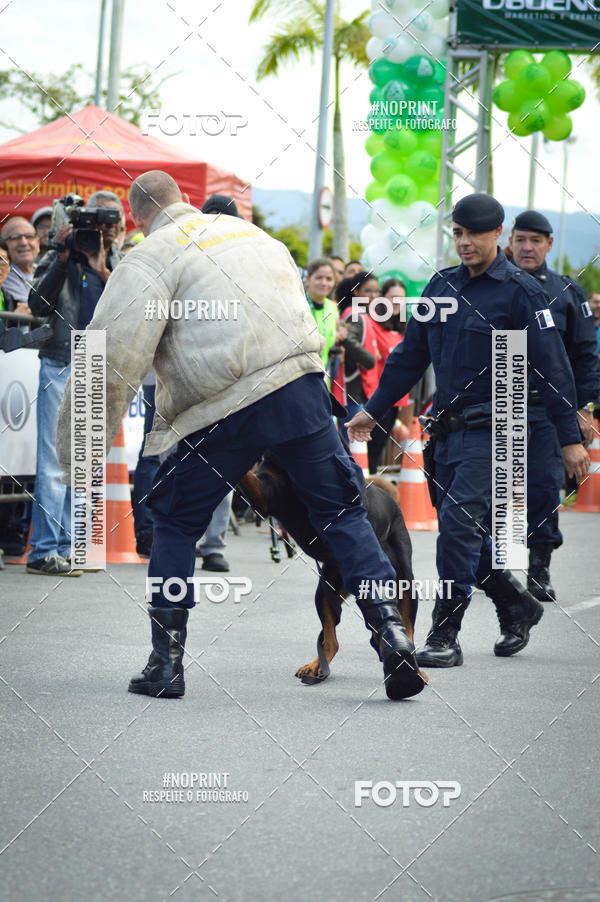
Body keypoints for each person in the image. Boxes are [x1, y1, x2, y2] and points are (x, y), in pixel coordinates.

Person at [56, 169, 425, 701]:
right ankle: (392, 637)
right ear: (184, 200)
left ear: (138, 218)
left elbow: (112, 355)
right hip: (299, 390)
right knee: (344, 514)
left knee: (176, 524)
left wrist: (78, 456)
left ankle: (166, 664)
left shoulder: (151, 255)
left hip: (218, 406)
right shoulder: (259, 239)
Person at [347, 193, 589, 668]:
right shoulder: (441, 287)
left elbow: (552, 368)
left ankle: (445, 633)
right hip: (447, 433)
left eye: (474, 233)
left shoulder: (521, 293)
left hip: (498, 432)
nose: (464, 242)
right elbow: (408, 358)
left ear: (497, 234)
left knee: (457, 527)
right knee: (467, 536)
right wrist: (374, 411)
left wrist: (570, 439)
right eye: (457, 233)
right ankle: (516, 604)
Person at [26, 190, 124, 576]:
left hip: (95, 362)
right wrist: (63, 255)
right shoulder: (59, 254)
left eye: (108, 224)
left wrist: (101, 267)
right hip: (61, 360)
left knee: (82, 465)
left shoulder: (116, 262)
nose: (101, 231)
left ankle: (72, 547)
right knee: (53, 461)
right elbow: (36, 305)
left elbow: (132, 308)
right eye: (95, 223)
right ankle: (44, 550)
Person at [508, 211, 600, 601]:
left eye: (536, 241)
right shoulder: (492, 285)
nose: (527, 248)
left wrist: (583, 407)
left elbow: (584, 354)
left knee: (544, 486)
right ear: (509, 241)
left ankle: (539, 568)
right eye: (521, 240)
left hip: (547, 409)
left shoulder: (566, 291)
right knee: (496, 489)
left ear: (548, 244)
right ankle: (495, 569)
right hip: (498, 406)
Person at [367, 278, 412, 474]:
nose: (396, 302)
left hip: (396, 401)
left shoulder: (404, 328)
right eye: (392, 297)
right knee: (369, 450)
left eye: (400, 299)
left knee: (378, 449)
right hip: (375, 398)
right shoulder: (371, 324)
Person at [333, 272, 378, 443]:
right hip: (351, 390)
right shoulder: (354, 314)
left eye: (376, 291)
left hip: (357, 389)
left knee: (353, 445)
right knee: (353, 445)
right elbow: (348, 340)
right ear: (357, 292)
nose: (374, 296)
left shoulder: (361, 313)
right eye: (368, 291)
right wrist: (369, 359)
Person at [304, 257, 345, 383]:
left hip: (323, 382)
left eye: (329, 279)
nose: (324, 283)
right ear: (308, 279)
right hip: (299, 380)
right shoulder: (298, 304)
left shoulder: (332, 307)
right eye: (318, 278)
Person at [0, 217, 38, 305]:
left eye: (29, 236)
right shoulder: (4, 274)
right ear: (4, 245)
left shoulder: (44, 270)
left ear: (38, 242)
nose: (24, 243)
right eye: (15, 237)